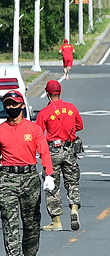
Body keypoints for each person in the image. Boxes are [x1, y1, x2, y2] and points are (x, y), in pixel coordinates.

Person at [0, 90, 56, 256]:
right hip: (8, 179)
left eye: (14, 104)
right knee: (9, 220)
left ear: (22, 105)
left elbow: (44, 152)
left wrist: (49, 174)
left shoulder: (33, 129)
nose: (11, 107)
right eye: (8, 104)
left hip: (30, 178)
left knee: (31, 222)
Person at [36, 80, 84, 231]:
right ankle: (74, 208)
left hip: (52, 152)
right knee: (72, 182)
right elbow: (80, 125)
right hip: (69, 149)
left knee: (52, 184)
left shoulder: (44, 112)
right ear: (60, 92)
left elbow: (38, 133)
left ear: (47, 94)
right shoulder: (71, 108)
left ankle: (56, 220)